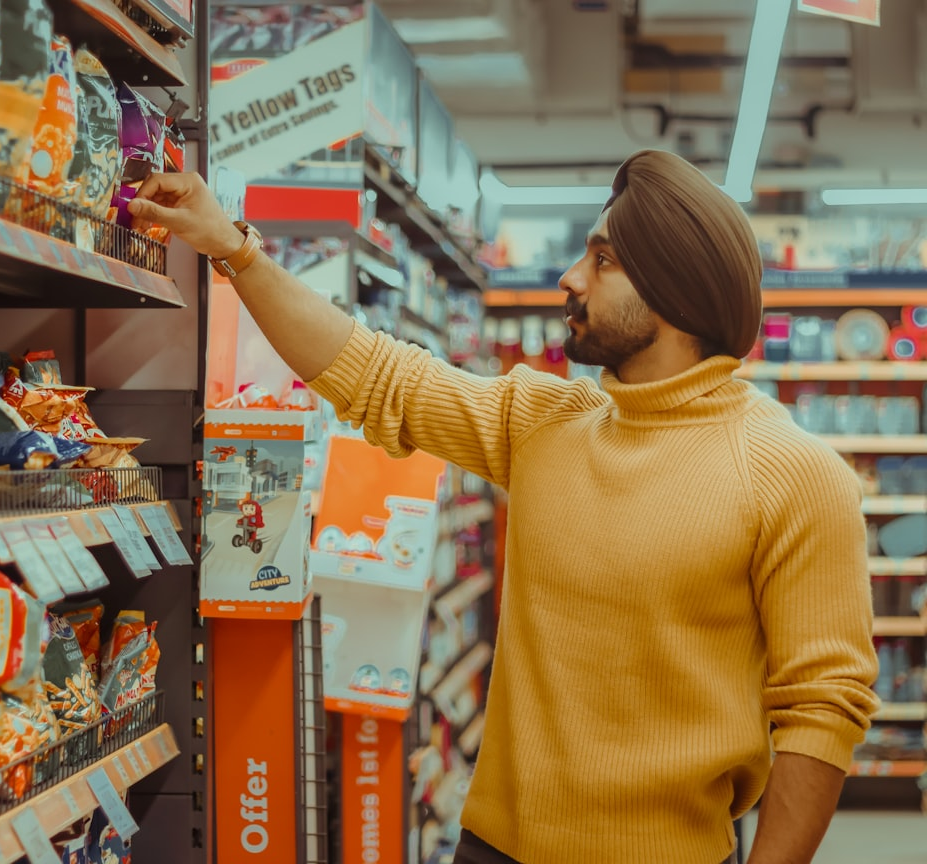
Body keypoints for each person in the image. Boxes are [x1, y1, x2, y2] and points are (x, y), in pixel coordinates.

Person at [128, 149, 879, 864]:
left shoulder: (796, 475)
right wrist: (234, 248)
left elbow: (823, 711)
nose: (569, 277)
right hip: (491, 849)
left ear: (675, 293)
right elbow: (372, 373)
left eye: (603, 260)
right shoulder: (544, 420)